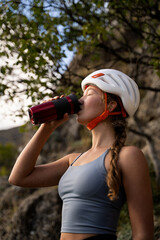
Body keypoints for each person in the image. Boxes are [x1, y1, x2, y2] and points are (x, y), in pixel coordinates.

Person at [9, 69, 154, 240]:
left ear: (111, 104)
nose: (80, 100)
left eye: (89, 94)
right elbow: (19, 177)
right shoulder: (73, 159)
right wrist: (46, 128)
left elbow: (143, 234)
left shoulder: (128, 156)